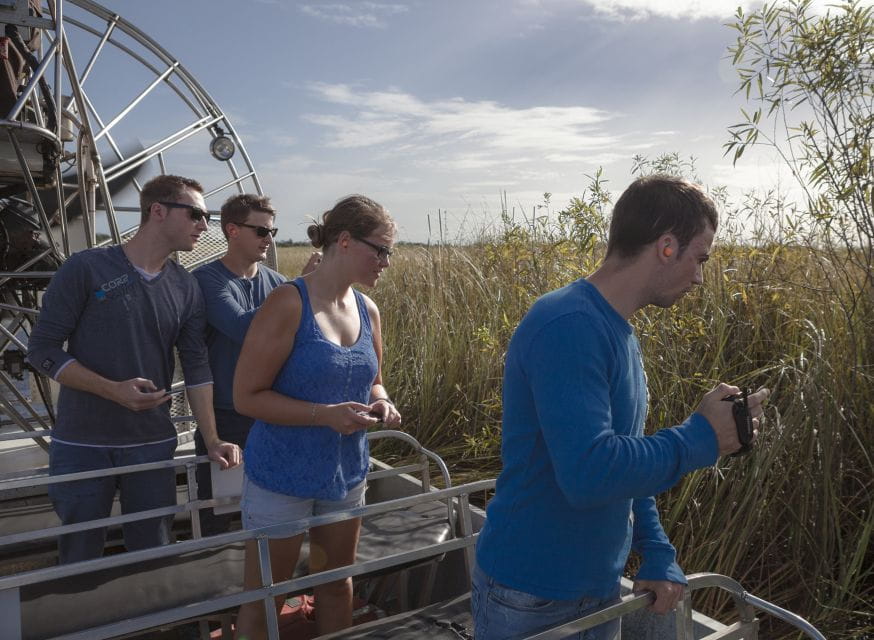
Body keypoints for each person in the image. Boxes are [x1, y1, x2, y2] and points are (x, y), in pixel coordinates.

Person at [471, 175, 770, 640]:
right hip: (532, 596)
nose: (699, 277)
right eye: (700, 258)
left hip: (597, 588)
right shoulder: (568, 325)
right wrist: (700, 438)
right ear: (667, 246)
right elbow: (590, 472)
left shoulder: (615, 329)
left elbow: (622, 458)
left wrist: (656, 549)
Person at [26, 174, 241, 564]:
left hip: (151, 446)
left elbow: (197, 366)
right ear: (158, 211)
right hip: (82, 445)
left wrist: (212, 440)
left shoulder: (186, 287)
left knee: (153, 552)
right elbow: (41, 350)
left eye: (206, 217)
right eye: (195, 214)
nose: (204, 226)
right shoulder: (86, 269)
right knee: (79, 555)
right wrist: (112, 390)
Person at [232, 194, 402, 639]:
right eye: (380, 250)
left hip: (344, 476)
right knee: (266, 596)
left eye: (390, 252)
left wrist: (382, 401)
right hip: (281, 477)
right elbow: (245, 397)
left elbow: (374, 380)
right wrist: (322, 414)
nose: (386, 262)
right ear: (344, 241)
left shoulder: (367, 310)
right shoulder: (288, 303)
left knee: (336, 583)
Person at [192, 193, 319, 535]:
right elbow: (242, 328)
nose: (268, 240)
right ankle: (218, 563)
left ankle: (271, 564)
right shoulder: (207, 280)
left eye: (272, 232)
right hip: (227, 416)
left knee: (278, 503)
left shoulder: (276, 283)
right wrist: (301, 287)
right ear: (232, 230)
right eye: (261, 231)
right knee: (221, 512)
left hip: (272, 413)